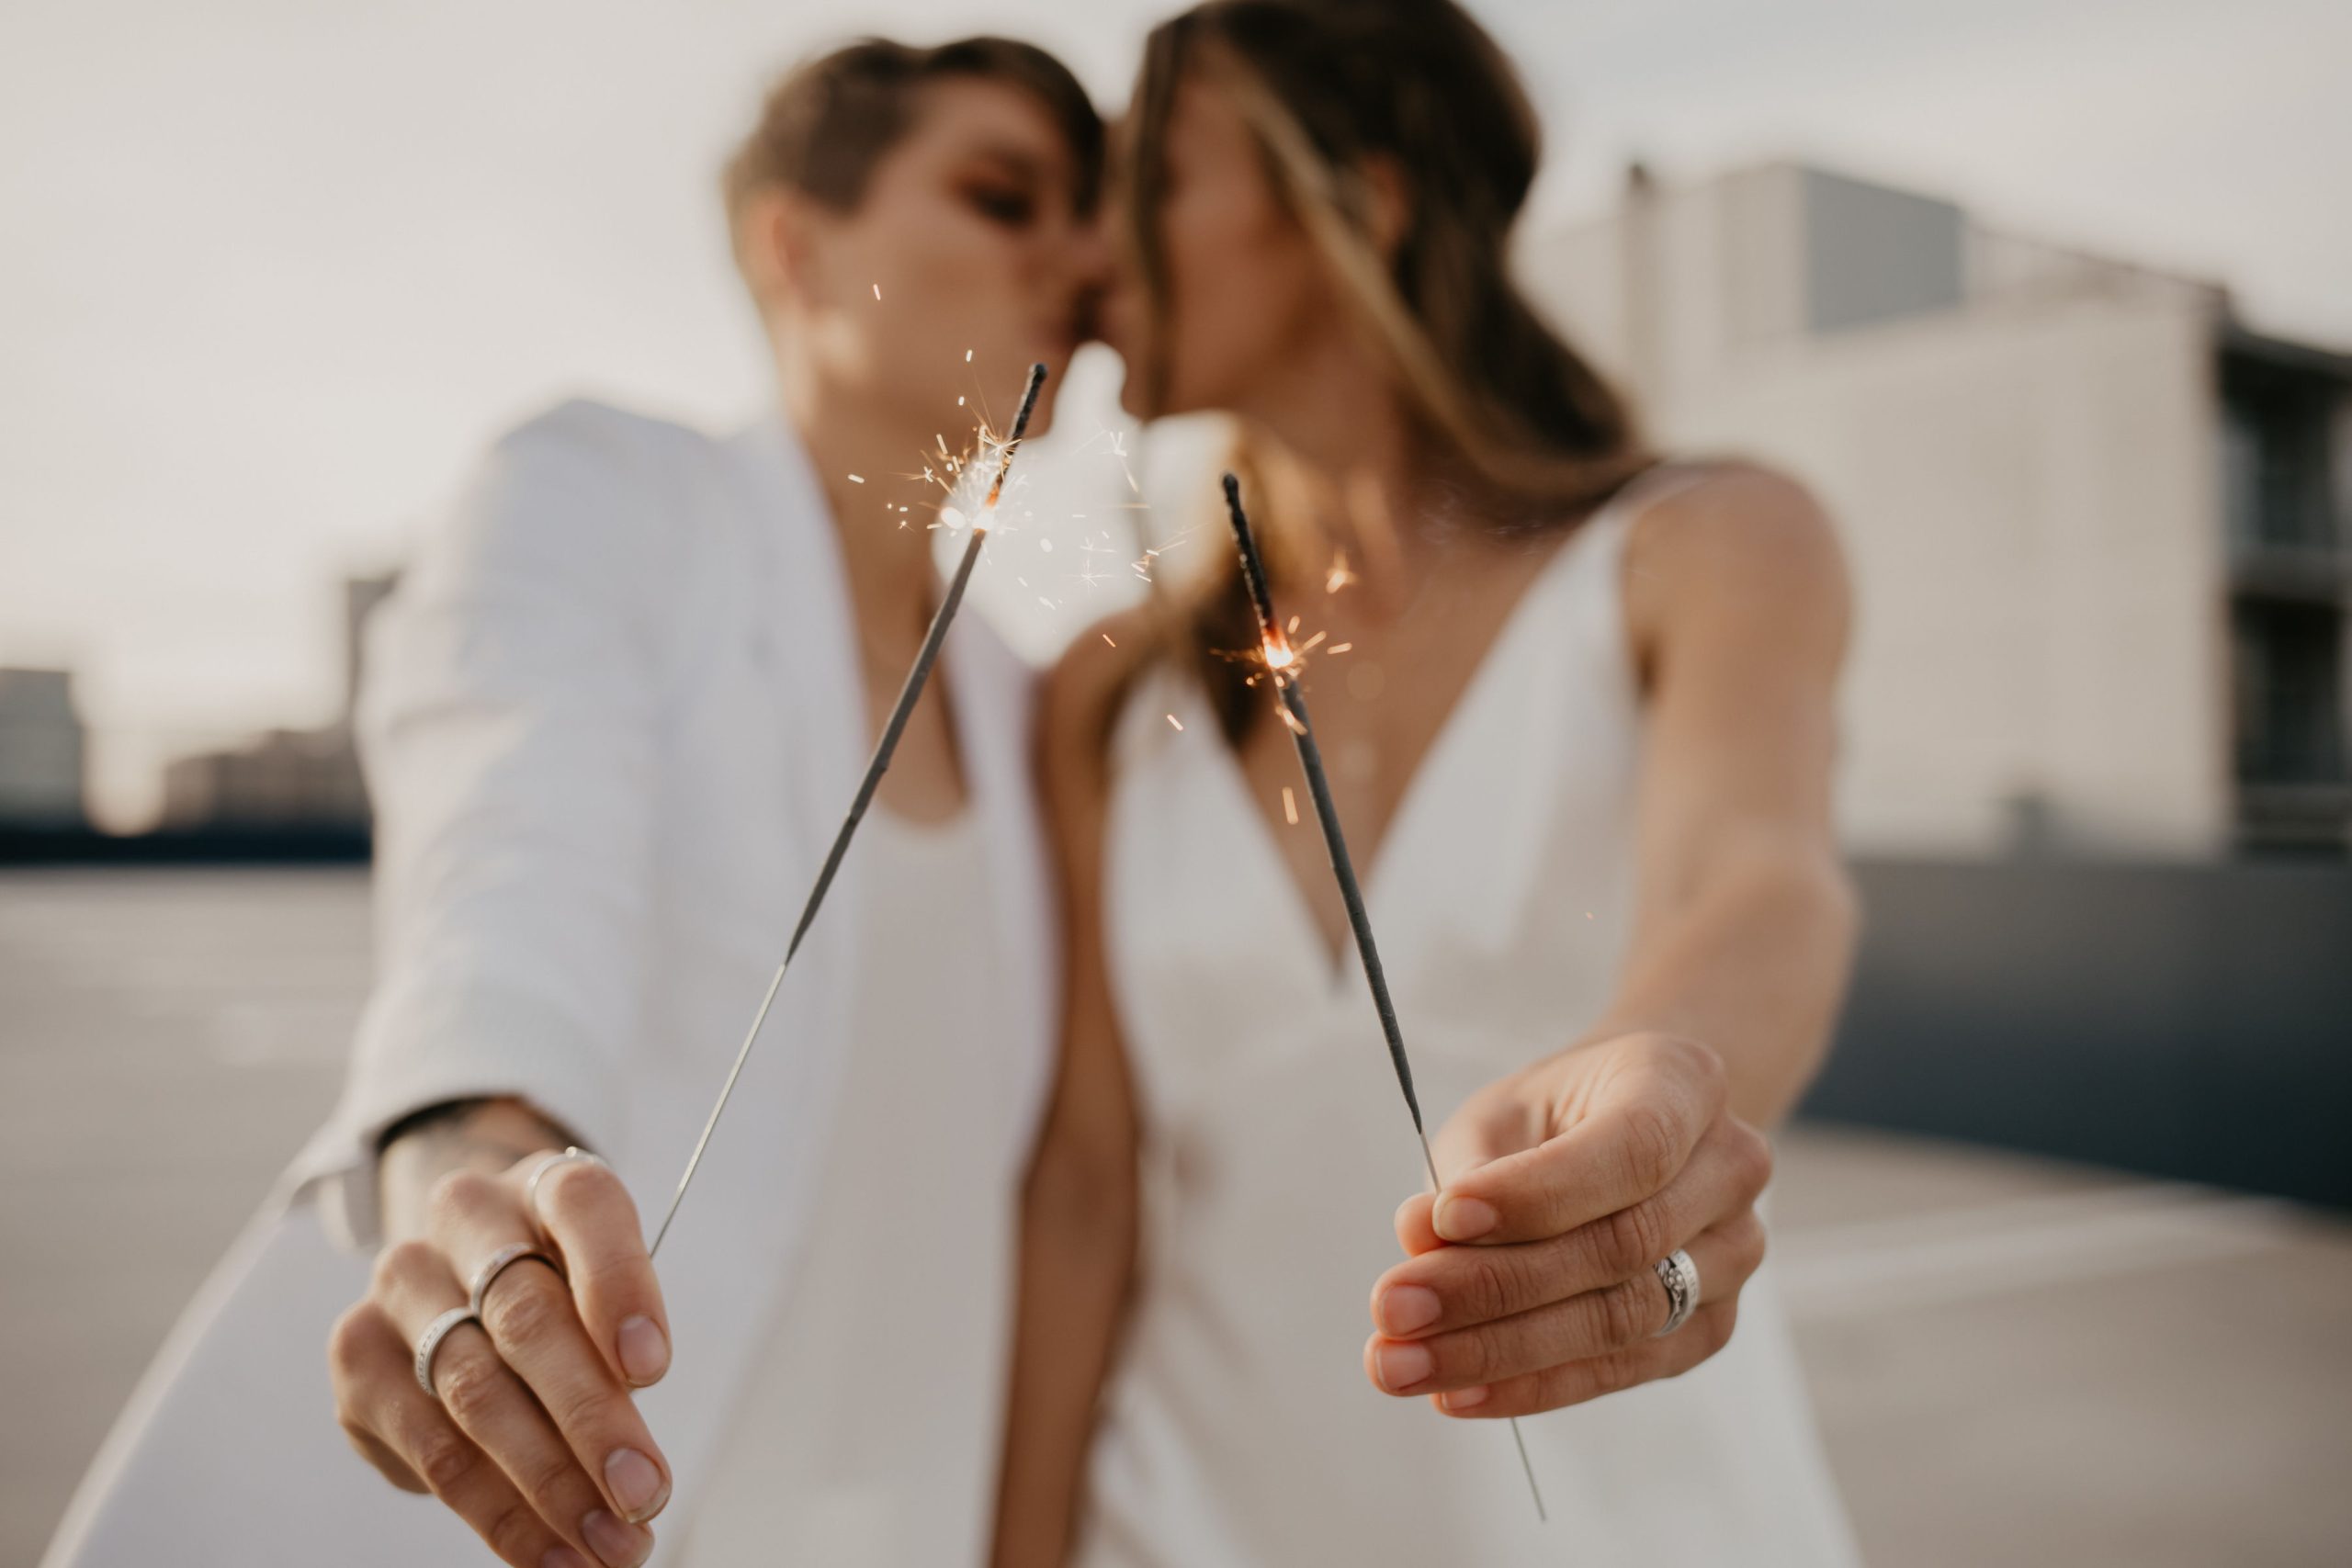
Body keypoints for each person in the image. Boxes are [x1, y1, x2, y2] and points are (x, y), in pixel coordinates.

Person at [44, 37, 1106, 1568]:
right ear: (795, 247)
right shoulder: (603, 499)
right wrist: (473, 1156)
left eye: (1093, 215)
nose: (1076, 258)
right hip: (561, 1507)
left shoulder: (1034, 705)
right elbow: (514, 859)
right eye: (1004, 196)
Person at [990, 2, 1866, 1563]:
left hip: (1640, 1525)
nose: (1088, 253)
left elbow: (1759, 877)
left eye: (1150, 180)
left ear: (1361, 199)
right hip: (1188, 1528)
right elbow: (1082, 1190)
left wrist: (1668, 1078)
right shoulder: (1107, 697)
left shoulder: (1706, 548)